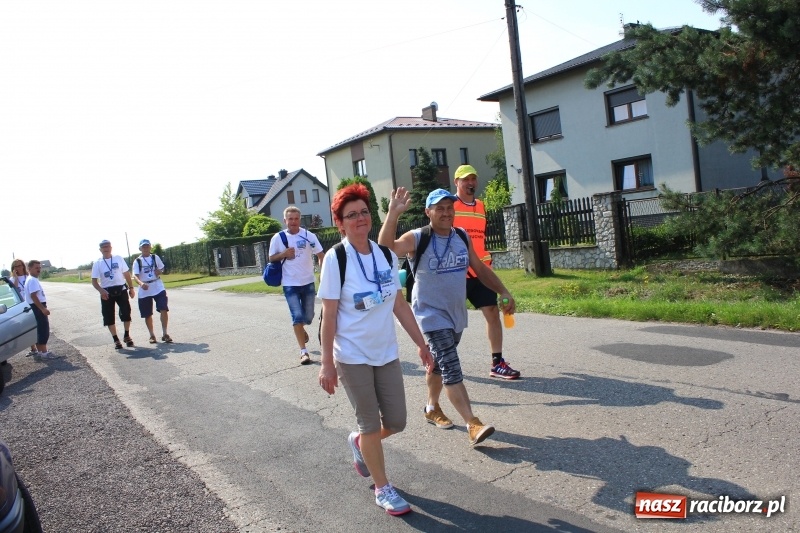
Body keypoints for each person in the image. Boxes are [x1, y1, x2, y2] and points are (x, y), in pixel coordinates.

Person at [318, 184, 434, 516]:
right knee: (370, 424)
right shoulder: (336, 259)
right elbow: (328, 317)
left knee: (396, 421)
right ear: (340, 223)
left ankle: (358, 443)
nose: (360, 219)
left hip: (385, 352)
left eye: (364, 212)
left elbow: (398, 303)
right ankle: (383, 488)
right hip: (352, 356)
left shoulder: (384, 254)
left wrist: (421, 344)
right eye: (351, 215)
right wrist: (326, 363)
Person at [378, 187, 516, 445]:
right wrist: (392, 214)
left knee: (439, 364)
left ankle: (431, 407)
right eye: (439, 208)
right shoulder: (419, 237)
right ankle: (472, 423)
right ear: (428, 212)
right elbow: (385, 248)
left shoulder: (461, 236)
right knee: (451, 366)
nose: (446, 213)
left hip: (455, 315)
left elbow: (480, 270)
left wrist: (503, 291)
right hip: (429, 316)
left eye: (449, 208)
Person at [452, 164, 521, 380]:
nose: (470, 183)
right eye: (465, 179)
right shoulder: (449, 206)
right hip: (457, 273)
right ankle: (441, 359)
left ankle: (497, 363)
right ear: (457, 183)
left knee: (492, 313)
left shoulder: (481, 206)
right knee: (452, 320)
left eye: (473, 179)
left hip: (481, 271)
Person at [268, 206, 325, 365]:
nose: (293, 222)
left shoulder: (308, 236)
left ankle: (302, 329)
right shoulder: (278, 238)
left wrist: (322, 272)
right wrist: (283, 254)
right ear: (285, 220)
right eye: (290, 219)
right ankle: (304, 352)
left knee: (308, 317)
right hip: (289, 283)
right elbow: (271, 258)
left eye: (296, 219)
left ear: (300, 220)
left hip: (307, 282)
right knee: (296, 317)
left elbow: (321, 255)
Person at [91, 240, 136, 350]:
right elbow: (94, 281)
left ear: (111, 247)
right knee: (108, 316)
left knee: (126, 312)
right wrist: (101, 291)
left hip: (121, 289)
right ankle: (116, 339)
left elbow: (126, 274)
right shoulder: (97, 263)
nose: (106, 248)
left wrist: (131, 288)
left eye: (108, 246)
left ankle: (127, 335)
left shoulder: (118, 258)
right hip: (106, 291)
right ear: (100, 250)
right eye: (103, 247)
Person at [132, 239, 172, 344]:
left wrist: (160, 271)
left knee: (163, 308)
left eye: (147, 246)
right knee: (147, 314)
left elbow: (162, 268)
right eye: (143, 247)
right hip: (145, 288)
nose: (145, 248)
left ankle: (165, 334)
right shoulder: (137, 261)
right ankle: (152, 335)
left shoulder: (155, 257)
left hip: (157, 286)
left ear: (150, 247)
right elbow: (135, 276)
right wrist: (141, 284)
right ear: (140, 248)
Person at [24, 260, 59, 359]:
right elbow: (34, 296)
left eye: (39, 267)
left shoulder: (31, 279)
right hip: (37, 307)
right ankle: (44, 353)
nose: (39, 269)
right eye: (36, 268)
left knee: (39, 329)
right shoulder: (32, 280)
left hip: (35, 307)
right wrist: (43, 309)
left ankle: (41, 352)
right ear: (29, 269)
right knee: (43, 329)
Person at [9, 259, 37, 356]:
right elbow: (15, 290)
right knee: (27, 326)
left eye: (19, 265)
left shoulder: (28, 276)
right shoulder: (12, 280)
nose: (18, 268)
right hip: (22, 306)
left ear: (23, 266)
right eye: (15, 266)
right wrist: (16, 278)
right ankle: (33, 348)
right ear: (13, 268)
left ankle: (41, 347)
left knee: (36, 324)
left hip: (32, 303)